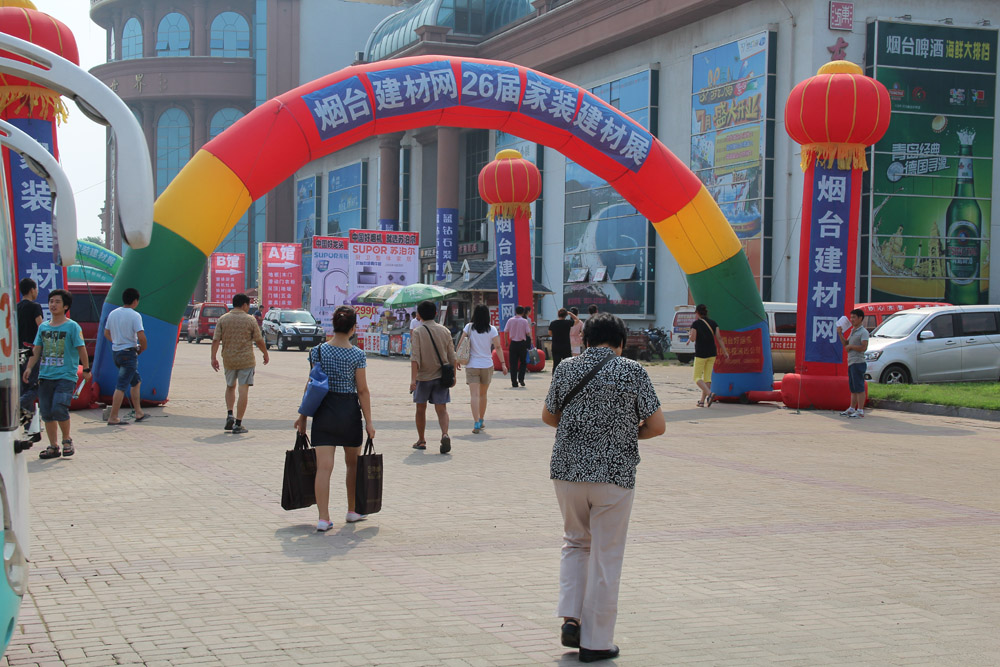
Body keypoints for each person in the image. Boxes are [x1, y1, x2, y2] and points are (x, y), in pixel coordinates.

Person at [542, 313, 665, 663]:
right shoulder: (632, 371)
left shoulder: (566, 368)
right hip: (614, 475)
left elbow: (549, 416)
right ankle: (596, 643)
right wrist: (628, 433)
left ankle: (571, 617)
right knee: (606, 555)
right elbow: (657, 426)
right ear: (621, 341)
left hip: (566, 472)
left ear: (585, 339)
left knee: (575, 543)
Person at [294, 306, 375, 530]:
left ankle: (323, 518)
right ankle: (352, 511)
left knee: (324, 468)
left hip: (324, 413)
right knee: (353, 465)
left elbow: (312, 386)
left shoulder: (318, 351)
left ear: (333, 325)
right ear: (352, 328)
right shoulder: (358, 354)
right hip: (349, 412)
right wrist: (369, 422)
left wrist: (302, 417)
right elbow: (363, 391)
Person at [21, 289, 90, 459]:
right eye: (51, 301)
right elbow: (37, 349)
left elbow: (81, 348)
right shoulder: (43, 327)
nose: (53, 304)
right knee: (47, 413)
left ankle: (67, 440)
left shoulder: (72, 326)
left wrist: (86, 369)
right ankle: (53, 446)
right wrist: (29, 367)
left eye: (57, 302)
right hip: (45, 376)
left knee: (59, 408)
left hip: (65, 376)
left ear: (66, 306)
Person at [211, 293, 269, 434]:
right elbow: (259, 340)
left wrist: (213, 358)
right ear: (244, 305)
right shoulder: (250, 320)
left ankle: (230, 414)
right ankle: (238, 423)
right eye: (248, 305)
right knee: (243, 390)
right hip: (246, 360)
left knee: (230, 386)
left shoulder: (223, 319)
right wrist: (265, 353)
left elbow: (215, 340)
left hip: (229, 359)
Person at [409, 300, 456, 453]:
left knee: (420, 409)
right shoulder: (445, 331)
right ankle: (445, 434)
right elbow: (452, 356)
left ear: (419, 315)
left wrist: (412, 380)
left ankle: (421, 440)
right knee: (441, 409)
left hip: (423, 377)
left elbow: (415, 357)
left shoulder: (417, 332)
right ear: (436, 313)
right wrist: (453, 376)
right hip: (441, 377)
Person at [455, 304, 507, 433]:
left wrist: (457, 359)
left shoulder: (469, 327)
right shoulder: (492, 329)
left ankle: (476, 422)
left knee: (474, 395)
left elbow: (461, 343)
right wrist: (503, 363)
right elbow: (498, 347)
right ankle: (482, 419)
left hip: (472, 365)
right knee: (483, 395)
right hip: (487, 365)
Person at [103, 287, 148, 425]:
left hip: (117, 353)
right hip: (128, 353)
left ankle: (138, 412)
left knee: (136, 381)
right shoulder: (135, 315)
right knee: (121, 385)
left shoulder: (113, 313)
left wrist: (117, 342)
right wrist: (141, 349)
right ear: (135, 301)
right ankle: (113, 417)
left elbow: (106, 333)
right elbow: (141, 337)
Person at [688, 303, 729, 407]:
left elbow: (693, 338)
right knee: (707, 378)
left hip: (701, 353)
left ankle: (710, 394)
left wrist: (689, 335)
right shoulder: (714, 323)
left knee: (697, 377)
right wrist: (725, 351)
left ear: (697, 313)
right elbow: (719, 338)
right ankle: (702, 401)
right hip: (712, 353)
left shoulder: (696, 324)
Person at [16, 277, 43, 414]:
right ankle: (15, 406)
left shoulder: (16, 307)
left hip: (18, 350)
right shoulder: (35, 307)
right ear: (32, 290)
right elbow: (41, 327)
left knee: (24, 385)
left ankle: (28, 422)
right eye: (36, 289)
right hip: (32, 351)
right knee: (34, 386)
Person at [839, 308, 870, 418]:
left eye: (854, 317)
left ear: (860, 318)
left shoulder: (863, 332)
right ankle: (852, 408)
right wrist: (840, 333)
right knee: (853, 388)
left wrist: (851, 347)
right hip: (851, 362)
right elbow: (846, 344)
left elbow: (864, 347)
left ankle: (860, 410)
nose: (852, 320)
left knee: (859, 387)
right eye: (851, 317)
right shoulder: (853, 331)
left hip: (858, 362)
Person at [504, 305, 531, 388]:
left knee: (513, 363)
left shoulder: (510, 320)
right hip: (522, 344)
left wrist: (506, 341)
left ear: (515, 311)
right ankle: (521, 379)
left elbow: (505, 331)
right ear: (523, 312)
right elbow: (528, 333)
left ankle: (514, 382)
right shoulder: (524, 321)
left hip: (513, 344)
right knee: (523, 362)